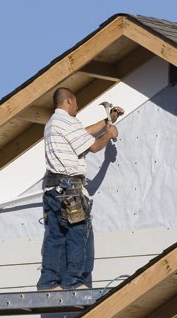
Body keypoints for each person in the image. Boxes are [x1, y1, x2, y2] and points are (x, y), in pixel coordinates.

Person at [36, 87, 121, 290]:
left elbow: (81, 134)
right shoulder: (67, 121)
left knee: (55, 236)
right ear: (69, 101)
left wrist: (106, 121)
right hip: (70, 190)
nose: (77, 108)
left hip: (52, 189)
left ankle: (48, 282)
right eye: (76, 104)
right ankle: (75, 282)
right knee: (79, 234)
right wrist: (108, 135)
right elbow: (92, 146)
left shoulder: (51, 124)